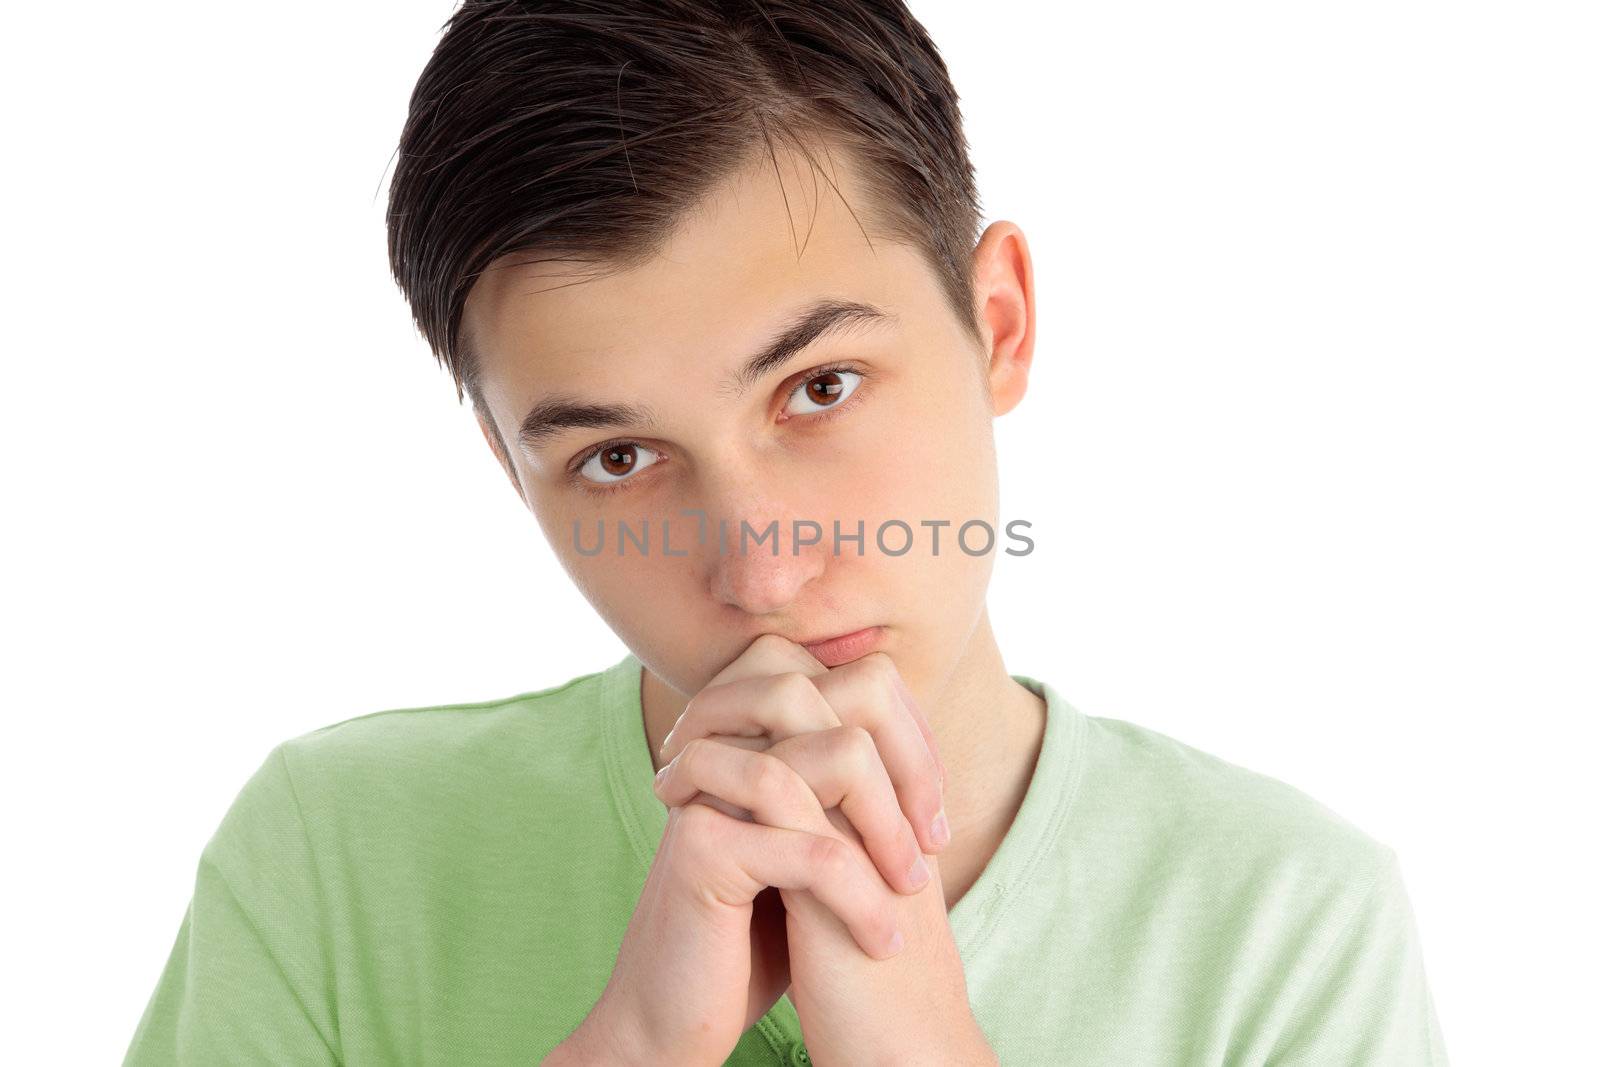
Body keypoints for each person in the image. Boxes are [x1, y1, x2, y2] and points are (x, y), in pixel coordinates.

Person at [123, 1, 1450, 1063]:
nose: (760, 568)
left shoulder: (1286, 925)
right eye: (619, 456)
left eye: (819, 389)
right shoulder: (336, 857)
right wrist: (635, 1046)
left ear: (999, 324)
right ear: (512, 471)